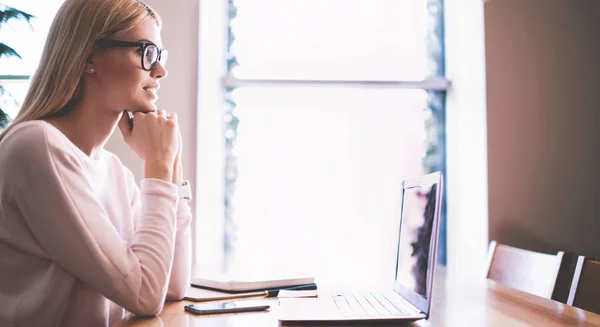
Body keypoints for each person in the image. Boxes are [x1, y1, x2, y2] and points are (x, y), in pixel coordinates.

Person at [0, 0, 192, 326]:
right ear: (89, 56)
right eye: (146, 53)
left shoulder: (111, 169)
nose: (160, 71)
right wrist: (158, 165)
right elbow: (145, 295)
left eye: (160, 56)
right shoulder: (37, 147)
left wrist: (170, 164)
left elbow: (172, 285)